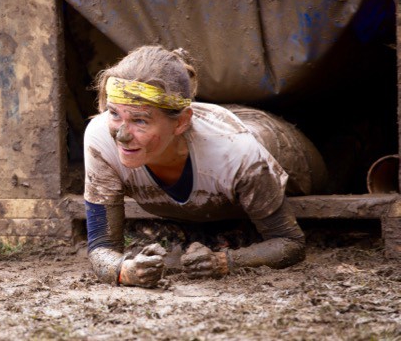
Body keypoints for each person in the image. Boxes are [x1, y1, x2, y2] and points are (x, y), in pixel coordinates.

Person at [83, 45, 328, 288]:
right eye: (115, 114)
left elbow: (289, 242)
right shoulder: (101, 136)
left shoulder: (236, 151)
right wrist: (124, 270)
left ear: (181, 123)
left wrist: (225, 262)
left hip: (283, 142)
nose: (122, 135)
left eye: (140, 120)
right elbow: (102, 246)